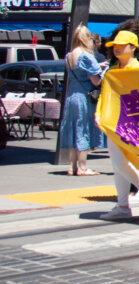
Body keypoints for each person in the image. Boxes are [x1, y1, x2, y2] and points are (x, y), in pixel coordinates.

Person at [99, 30, 139, 219]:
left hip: (132, 122)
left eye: (122, 45)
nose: (117, 48)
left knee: (121, 163)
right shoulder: (113, 69)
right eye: (115, 45)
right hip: (113, 121)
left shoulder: (138, 69)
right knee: (118, 165)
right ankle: (123, 205)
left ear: (132, 48)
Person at [55, 25, 107, 174]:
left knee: (72, 129)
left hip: (71, 96)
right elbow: (95, 81)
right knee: (83, 129)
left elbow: (79, 71)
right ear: (86, 39)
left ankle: (72, 166)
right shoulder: (86, 56)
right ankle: (83, 167)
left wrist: (97, 66)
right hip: (84, 97)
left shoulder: (69, 55)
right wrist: (103, 72)